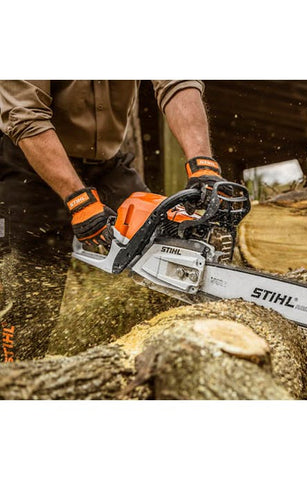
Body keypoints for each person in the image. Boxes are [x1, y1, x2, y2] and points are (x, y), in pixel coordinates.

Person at [0, 80, 226, 362]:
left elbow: (177, 82)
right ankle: (14, 371)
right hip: (31, 160)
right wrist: (79, 201)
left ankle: (165, 361)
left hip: (107, 164)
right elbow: (25, 117)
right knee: (29, 289)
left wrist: (202, 163)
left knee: (166, 241)